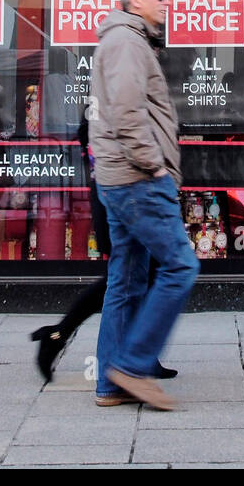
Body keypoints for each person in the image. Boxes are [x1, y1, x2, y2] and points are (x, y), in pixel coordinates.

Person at [89, 0, 199, 411]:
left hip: (122, 179)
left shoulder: (126, 40)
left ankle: (109, 384)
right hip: (137, 180)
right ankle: (131, 367)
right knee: (180, 267)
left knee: (127, 281)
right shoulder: (126, 43)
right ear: (135, 1)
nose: (166, 2)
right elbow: (127, 114)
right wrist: (156, 168)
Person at [29, 108, 177, 384]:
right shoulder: (110, 90)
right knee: (131, 273)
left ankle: (62, 336)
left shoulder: (117, 86)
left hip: (123, 191)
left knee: (140, 272)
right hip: (119, 193)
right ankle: (63, 336)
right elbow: (92, 136)